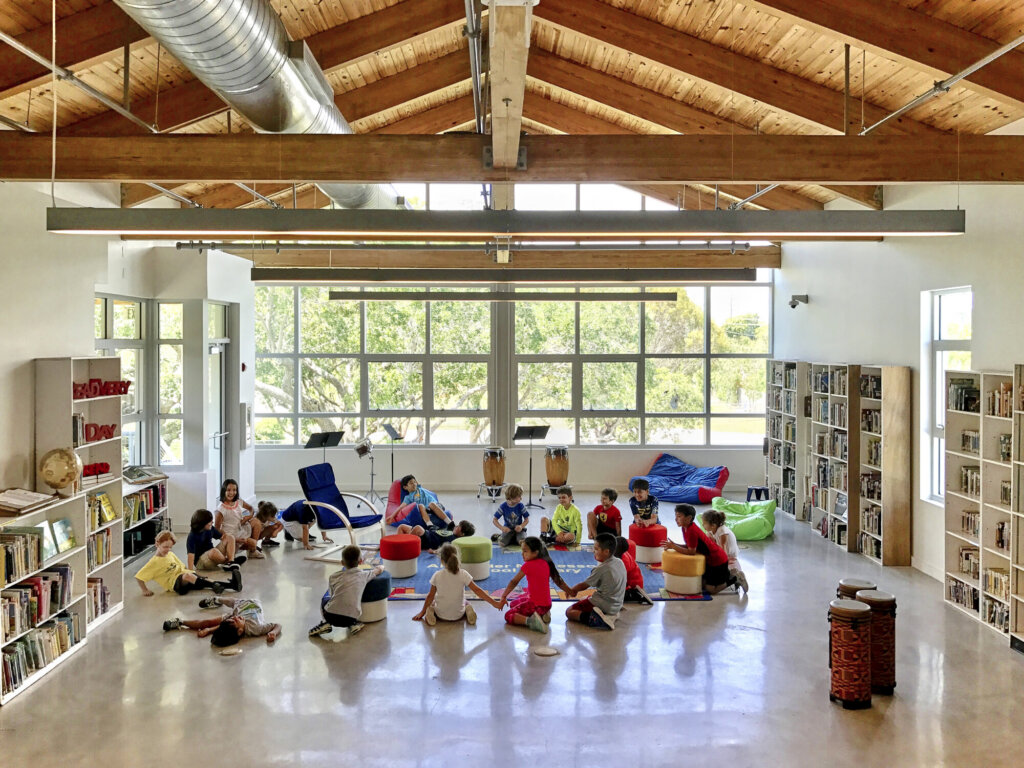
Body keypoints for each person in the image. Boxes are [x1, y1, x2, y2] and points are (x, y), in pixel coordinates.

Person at [497, 536, 572, 635]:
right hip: (547, 605)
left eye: (525, 551)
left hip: (535, 605)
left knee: (508, 615)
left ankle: (531, 621)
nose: (522, 554)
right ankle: (543, 614)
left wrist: (504, 596)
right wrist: (570, 591)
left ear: (535, 553)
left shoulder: (528, 566)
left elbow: (513, 582)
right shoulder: (546, 563)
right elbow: (559, 581)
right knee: (513, 604)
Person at [412, 543, 501, 625]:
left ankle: (430, 612)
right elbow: (477, 590)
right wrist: (495, 603)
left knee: (432, 603)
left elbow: (430, 596)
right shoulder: (463, 574)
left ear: (442, 560)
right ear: (457, 557)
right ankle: (468, 610)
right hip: (459, 615)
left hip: (441, 615)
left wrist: (422, 612)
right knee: (466, 602)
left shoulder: (437, 575)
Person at [308, 544, 384, 639]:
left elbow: (332, 595)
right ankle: (353, 625)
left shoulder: (333, 576)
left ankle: (325, 623)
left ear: (342, 563)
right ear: (361, 561)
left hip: (330, 616)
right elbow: (378, 570)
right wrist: (381, 566)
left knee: (325, 597)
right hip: (352, 618)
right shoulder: (364, 575)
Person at [135, 531, 241, 596]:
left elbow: (183, 567)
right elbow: (139, 577)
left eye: (170, 547)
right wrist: (145, 590)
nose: (168, 549)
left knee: (203, 579)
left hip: (185, 576)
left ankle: (232, 585)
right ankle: (214, 585)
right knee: (188, 576)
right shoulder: (153, 562)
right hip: (175, 585)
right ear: (157, 544)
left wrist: (196, 576)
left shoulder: (170, 554)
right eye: (165, 547)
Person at [663, 504, 738, 595]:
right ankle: (728, 574)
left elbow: (691, 552)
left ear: (688, 518)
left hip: (717, 560)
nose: (675, 519)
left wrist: (674, 546)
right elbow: (689, 546)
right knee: (701, 585)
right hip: (709, 560)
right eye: (675, 516)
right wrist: (674, 545)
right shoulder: (685, 527)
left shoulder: (691, 531)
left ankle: (736, 578)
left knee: (711, 590)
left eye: (679, 516)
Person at [565, 532, 627, 629]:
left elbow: (584, 585)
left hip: (606, 605)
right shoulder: (619, 562)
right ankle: (610, 614)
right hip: (617, 604)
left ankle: (596, 620)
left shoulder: (601, 569)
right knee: (586, 597)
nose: (594, 551)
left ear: (606, 551)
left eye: (596, 549)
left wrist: (572, 590)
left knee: (569, 611)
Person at [162, 596, 281, 646]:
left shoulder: (235, 620)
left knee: (206, 622)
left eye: (233, 621)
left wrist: (208, 630)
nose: (234, 619)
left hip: (238, 607)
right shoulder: (257, 628)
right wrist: (274, 632)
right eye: (234, 621)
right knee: (208, 621)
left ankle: (180, 621)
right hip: (248, 603)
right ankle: (217, 599)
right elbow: (277, 625)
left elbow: (224, 626)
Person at [701, 509, 749, 595]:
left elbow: (723, 548)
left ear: (713, 525)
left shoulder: (722, 531)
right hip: (723, 552)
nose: (702, 525)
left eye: (704, 523)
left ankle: (736, 577)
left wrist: (725, 561)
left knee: (721, 571)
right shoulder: (713, 530)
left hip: (729, 554)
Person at [214, 478, 264, 559]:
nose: (232, 493)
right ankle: (248, 547)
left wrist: (248, 517)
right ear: (224, 491)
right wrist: (235, 539)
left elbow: (251, 508)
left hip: (241, 529)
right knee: (254, 543)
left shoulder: (238, 501)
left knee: (256, 522)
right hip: (232, 536)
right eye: (228, 490)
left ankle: (252, 551)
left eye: (234, 490)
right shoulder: (220, 510)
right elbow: (216, 530)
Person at [615, 535, 654, 605]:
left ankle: (637, 595)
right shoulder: (622, 555)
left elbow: (623, 581)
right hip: (632, 583)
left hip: (634, 586)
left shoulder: (624, 561)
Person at [395, 519, 475, 552]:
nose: (456, 526)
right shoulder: (450, 531)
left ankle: (400, 548)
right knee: (402, 527)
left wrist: (435, 552)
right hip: (427, 533)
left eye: (459, 527)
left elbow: (446, 550)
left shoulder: (454, 540)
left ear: (462, 534)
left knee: (418, 528)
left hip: (428, 540)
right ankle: (399, 545)